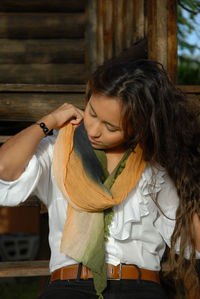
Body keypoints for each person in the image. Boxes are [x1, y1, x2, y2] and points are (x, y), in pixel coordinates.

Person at [0, 60, 200, 299]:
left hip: (139, 288)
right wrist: (49, 121)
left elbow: (192, 241)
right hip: (68, 288)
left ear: (138, 128)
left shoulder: (154, 166)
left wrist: (182, 171)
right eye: (92, 113)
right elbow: (5, 168)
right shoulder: (57, 151)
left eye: (110, 127)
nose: (94, 130)